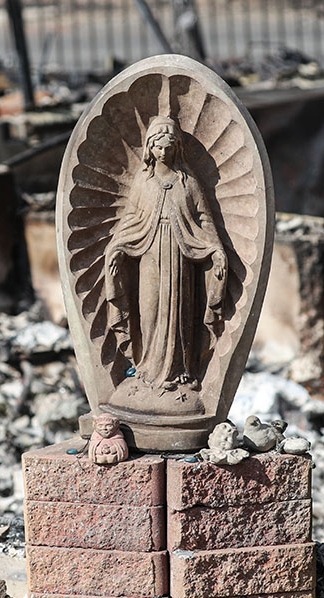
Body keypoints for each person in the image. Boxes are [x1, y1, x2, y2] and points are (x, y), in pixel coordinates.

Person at [104, 115, 227, 394]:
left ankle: (181, 370)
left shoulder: (188, 183)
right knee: (149, 311)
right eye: (158, 147)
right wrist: (118, 248)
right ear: (149, 148)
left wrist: (216, 250)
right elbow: (132, 219)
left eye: (168, 147)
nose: (163, 152)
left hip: (181, 254)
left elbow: (204, 219)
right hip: (149, 254)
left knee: (180, 313)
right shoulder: (143, 182)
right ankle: (147, 368)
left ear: (176, 148)